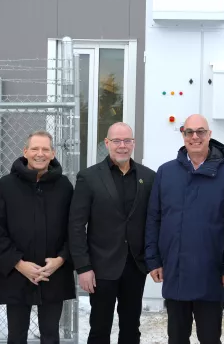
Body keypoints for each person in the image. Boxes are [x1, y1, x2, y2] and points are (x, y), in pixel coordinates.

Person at [145, 114, 224, 344]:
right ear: (183, 135)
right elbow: (154, 219)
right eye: (189, 132)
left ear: (209, 135)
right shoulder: (166, 172)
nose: (195, 137)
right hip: (174, 271)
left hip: (211, 274)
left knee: (210, 338)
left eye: (201, 131)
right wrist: (154, 260)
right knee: (177, 338)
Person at [68, 122, 156, 344]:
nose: (122, 146)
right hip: (101, 268)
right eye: (116, 141)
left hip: (135, 266)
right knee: (99, 328)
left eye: (127, 141)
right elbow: (76, 225)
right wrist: (84, 267)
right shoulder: (88, 178)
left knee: (131, 328)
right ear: (107, 143)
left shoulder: (149, 177)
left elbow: (153, 222)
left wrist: (153, 260)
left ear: (133, 144)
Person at [0, 130, 75, 343]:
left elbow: (74, 229)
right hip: (16, 273)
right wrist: (18, 264)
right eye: (34, 148)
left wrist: (61, 259)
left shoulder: (64, 186)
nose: (40, 154)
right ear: (25, 152)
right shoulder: (6, 185)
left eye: (45, 149)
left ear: (53, 153)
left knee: (51, 334)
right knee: (16, 335)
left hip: (53, 272)